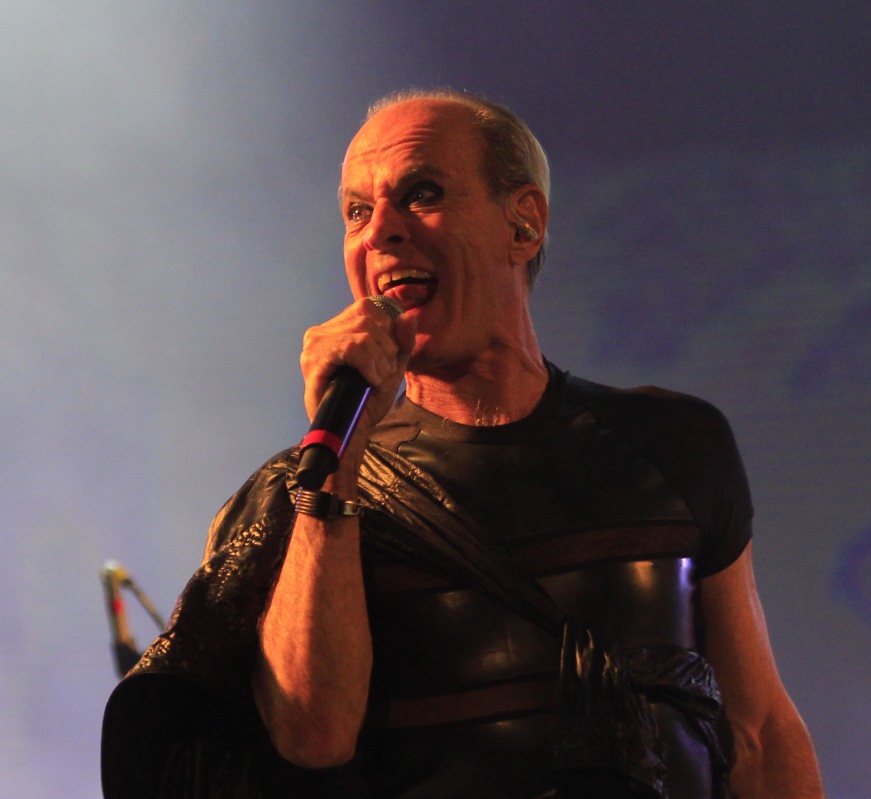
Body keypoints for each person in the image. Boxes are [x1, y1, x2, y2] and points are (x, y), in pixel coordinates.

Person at [101, 89, 823, 798]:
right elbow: (310, 741)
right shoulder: (304, 498)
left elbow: (757, 727)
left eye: (421, 192)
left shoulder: (674, 444)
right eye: (357, 211)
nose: (380, 230)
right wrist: (333, 477)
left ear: (524, 226)